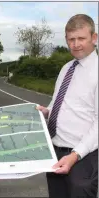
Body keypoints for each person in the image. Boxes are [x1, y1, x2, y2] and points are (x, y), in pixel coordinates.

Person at [37, 14, 98, 198]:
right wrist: (46, 111)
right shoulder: (66, 68)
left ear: (94, 38)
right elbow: (59, 103)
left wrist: (75, 155)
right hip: (55, 150)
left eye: (81, 38)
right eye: (71, 39)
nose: (76, 44)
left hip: (83, 156)